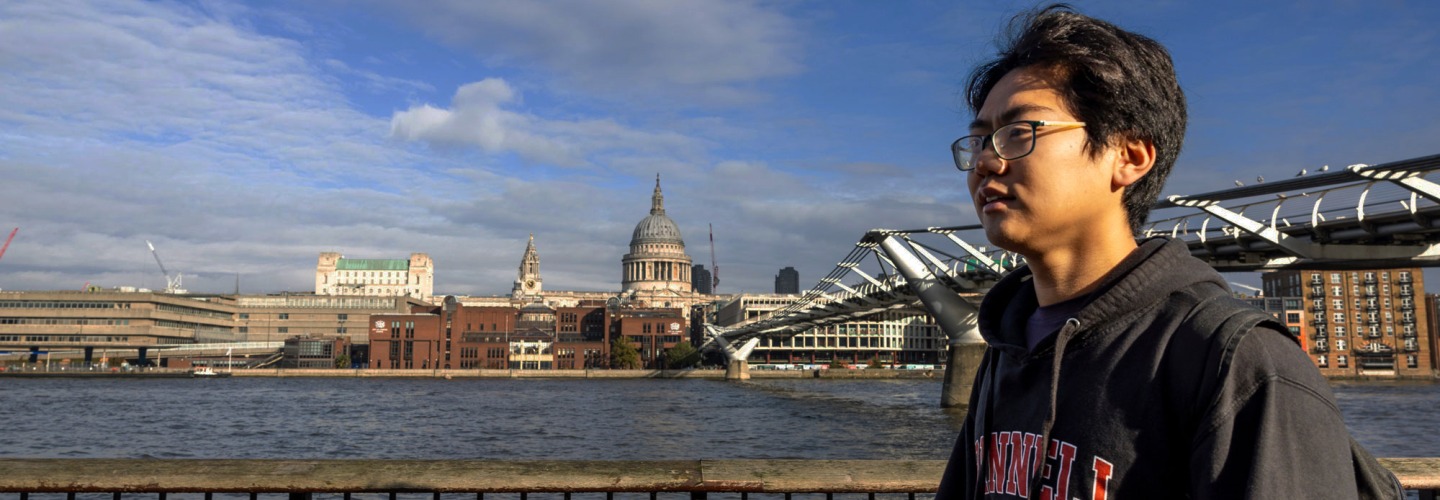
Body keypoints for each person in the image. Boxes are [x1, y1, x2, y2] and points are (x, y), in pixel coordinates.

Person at [934, 4, 1400, 499]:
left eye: (1018, 133)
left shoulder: (1233, 360)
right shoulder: (1008, 343)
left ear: (1130, 157)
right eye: (980, 139)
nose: (985, 161)